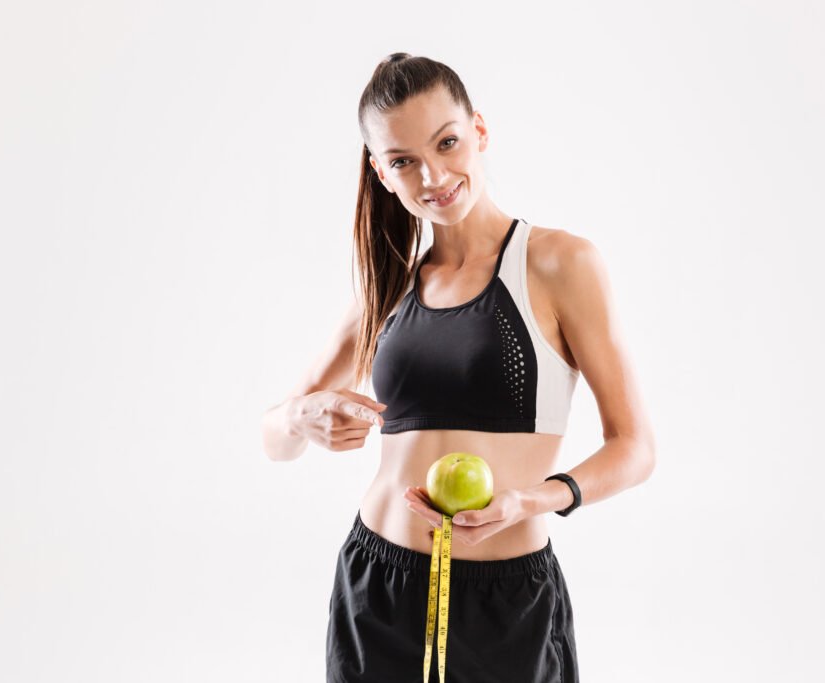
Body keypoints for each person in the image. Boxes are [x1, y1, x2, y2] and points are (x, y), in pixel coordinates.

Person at [260, 52, 656, 683]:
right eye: (404, 161)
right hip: (377, 589)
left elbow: (634, 448)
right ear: (381, 173)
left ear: (479, 130)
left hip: (504, 603)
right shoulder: (386, 286)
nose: (433, 175)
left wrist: (535, 498)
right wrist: (300, 415)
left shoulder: (559, 264)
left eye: (447, 143)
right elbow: (276, 442)